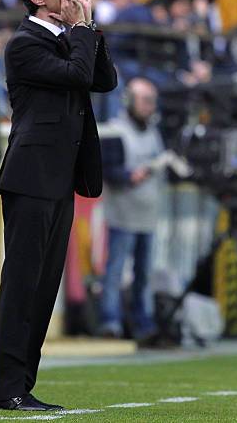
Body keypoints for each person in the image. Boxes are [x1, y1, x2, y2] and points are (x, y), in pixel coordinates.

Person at [0, 0, 117, 411]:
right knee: (22, 286)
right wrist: (83, 28)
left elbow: (104, 79)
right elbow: (80, 76)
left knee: (44, 290)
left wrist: (88, 28)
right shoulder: (24, 44)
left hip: (59, 179)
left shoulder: (69, 40)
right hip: (30, 177)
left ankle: (21, 386)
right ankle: (6, 389)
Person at [99, 77, 164, 343]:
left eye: (152, 100)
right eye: (144, 100)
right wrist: (133, 175)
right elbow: (110, 172)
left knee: (144, 275)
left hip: (148, 217)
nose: (149, 106)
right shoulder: (115, 131)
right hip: (123, 214)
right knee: (115, 271)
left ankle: (143, 324)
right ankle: (110, 321)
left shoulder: (154, 132)